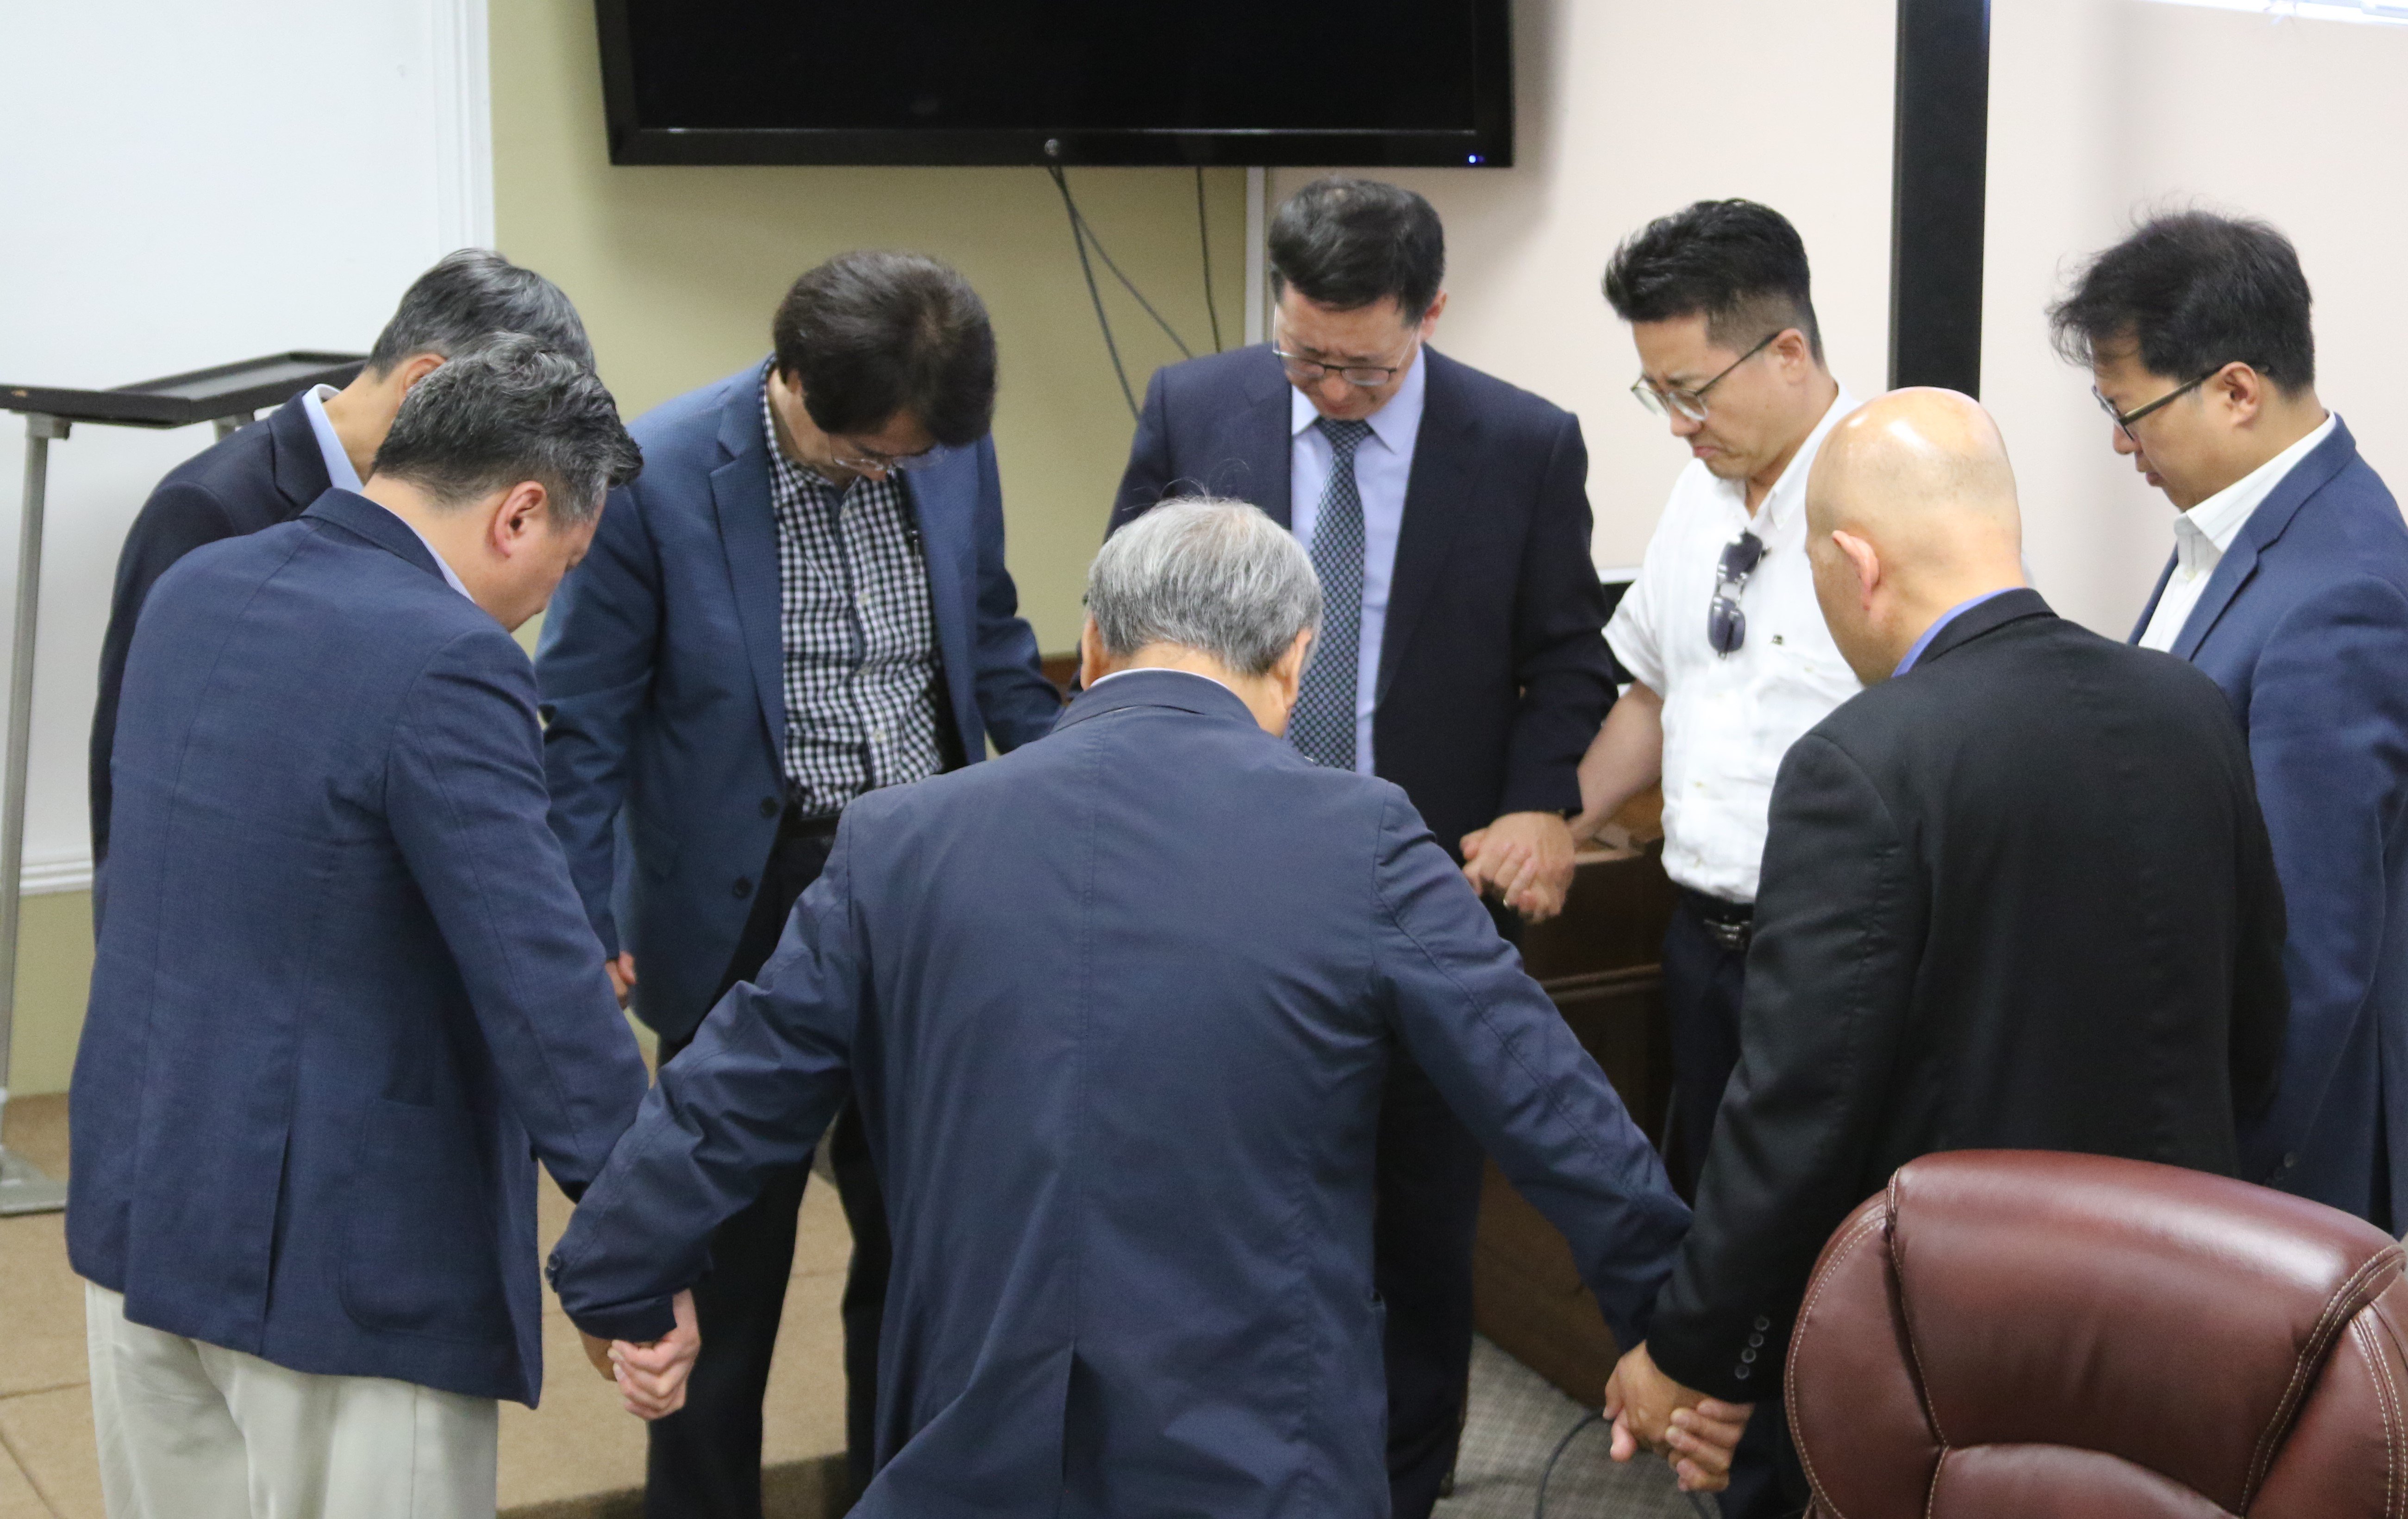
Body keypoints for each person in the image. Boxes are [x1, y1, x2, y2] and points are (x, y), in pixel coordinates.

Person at [549, 498, 1695, 1514]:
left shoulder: (900, 839)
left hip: (964, 1437)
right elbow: (1542, 1093)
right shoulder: (1366, 838)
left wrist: (622, 1271)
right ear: (1296, 662)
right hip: (1258, 1455)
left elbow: (735, 1085)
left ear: (1090, 646)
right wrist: (1675, 1327)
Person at [1603, 390, 2291, 1516]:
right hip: (2175, 1301)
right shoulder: (2190, 709)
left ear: (1855, 563)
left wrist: (1691, 1353)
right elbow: (2257, 1029)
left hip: (1948, 1338)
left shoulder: (1863, 762)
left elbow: (1798, 1111)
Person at [66, 338, 694, 1519]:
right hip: (344, 1266)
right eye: (565, 563)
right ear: (520, 514)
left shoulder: (196, 584)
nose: (547, 600)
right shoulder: (447, 659)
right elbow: (547, 994)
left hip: (143, 1208)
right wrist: (634, 1266)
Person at [1108, 178, 1615, 1515]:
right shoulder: (1195, 408)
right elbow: (1127, 625)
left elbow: (1570, 656)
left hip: (1423, 885)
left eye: (1365, 366)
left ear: (1431, 314)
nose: (1331, 390)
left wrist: (1540, 800)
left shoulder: (1522, 441)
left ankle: (1403, 1485)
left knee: (1420, 1215)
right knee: (1221, 1201)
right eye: (1306, 357)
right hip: (1213, 879)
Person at [537, 249, 1062, 1516]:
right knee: (725, 1253)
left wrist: (1084, 792)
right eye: (867, 454)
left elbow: (991, 646)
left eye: (913, 457)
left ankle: (900, 1490)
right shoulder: (655, 478)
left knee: (921, 1235)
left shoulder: (942, 448)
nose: (894, 472)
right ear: (793, 387)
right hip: (744, 895)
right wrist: (576, 916)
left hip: (928, 880)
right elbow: (585, 720)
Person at [1489, 199, 1860, 1512]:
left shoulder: (1886, 503)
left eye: (1691, 389)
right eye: (1655, 393)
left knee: (1823, 1274)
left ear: (1790, 356)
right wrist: (1565, 821)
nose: (1677, 422)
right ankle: (1733, 1475)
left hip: (1837, 965)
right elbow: (1648, 689)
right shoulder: (1703, 493)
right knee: (1716, 1249)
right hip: (1704, 949)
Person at [2049, 211, 2408, 1238]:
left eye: (2131, 410)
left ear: (2235, 389)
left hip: (2265, 1174)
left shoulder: (2341, 595)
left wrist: (2213, 1194)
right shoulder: (2236, 523)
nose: (2119, 439)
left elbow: (2309, 954)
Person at [90, 247, 594, 870]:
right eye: (511, 433)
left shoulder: (458, 514)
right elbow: (132, 774)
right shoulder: (209, 508)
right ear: (424, 385)